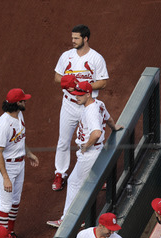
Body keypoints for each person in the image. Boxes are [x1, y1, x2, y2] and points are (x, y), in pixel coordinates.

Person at [47, 81, 123, 228]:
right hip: (95, 152)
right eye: (75, 94)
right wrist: (114, 127)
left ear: (88, 94)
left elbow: (96, 133)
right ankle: (78, 217)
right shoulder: (98, 104)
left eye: (80, 95)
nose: (77, 97)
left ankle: (69, 219)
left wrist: (85, 147)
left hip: (90, 153)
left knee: (74, 182)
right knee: (82, 182)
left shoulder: (90, 111)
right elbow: (108, 118)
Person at [53, 24, 109, 191]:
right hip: (69, 105)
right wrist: (67, 82)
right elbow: (57, 77)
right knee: (63, 140)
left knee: (94, 140)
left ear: (85, 39)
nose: (73, 41)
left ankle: (96, 174)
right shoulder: (66, 56)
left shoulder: (96, 58)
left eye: (76, 38)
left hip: (88, 106)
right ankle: (60, 173)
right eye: (72, 38)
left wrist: (85, 85)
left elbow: (103, 82)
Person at [0, 88, 39, 238]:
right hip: (7, 166)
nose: (25, 101)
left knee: (15, 201)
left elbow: (20, 138)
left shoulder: (19, 115)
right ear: (17, 103)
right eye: (23, 100)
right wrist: (5, 177)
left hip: (20, 164)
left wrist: (29, 153)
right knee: (5, 204)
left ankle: (9, 232)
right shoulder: (3, 125)